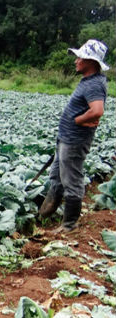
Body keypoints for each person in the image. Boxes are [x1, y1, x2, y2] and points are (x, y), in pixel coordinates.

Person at [39, 39, 109, 232]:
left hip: (74, 141)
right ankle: (43, 217)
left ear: (90, 61)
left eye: (80, 57)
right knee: (56, 176)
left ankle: (69, 224)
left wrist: (78, 121)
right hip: (66, 138)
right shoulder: (88, 81)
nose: (76, 60)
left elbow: (97, 111)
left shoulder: (94, 84)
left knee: (72, 180)